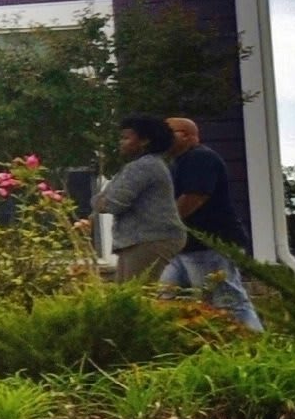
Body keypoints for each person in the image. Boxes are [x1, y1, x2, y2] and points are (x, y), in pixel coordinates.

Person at [162, 115, 264, 331]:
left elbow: (194, 196)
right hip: (183, 247)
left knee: (227, 301)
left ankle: (255, 344)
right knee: (164, 298)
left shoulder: (200, 158)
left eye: (167, 133)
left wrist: (165, 224)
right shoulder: (176, 163)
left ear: (188, 136)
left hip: (212, 245)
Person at [95, 116, 185, 282]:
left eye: (126, 138)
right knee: (125, 295)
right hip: (142, 240)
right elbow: (104, 200)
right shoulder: (148, 164)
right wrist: (101, 201)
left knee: (136, 295)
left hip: (148, 239)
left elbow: (112, 204)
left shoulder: (143, 166)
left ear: (144, 141)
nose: (121, 142)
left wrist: (101, 202)